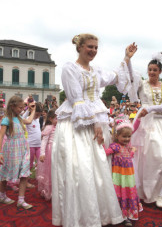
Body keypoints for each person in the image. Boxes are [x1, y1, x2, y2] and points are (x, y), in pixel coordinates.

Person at [52, 34, 136, 226]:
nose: (93, 51)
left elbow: (116, 76)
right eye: (90, 47)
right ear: (79, 47)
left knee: (99, 168)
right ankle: (81, 217)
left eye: (96, 48)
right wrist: (96, 123)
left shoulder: (96, 71)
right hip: (77, 125)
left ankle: (102, 213)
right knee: (80, 169)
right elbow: (76, 99)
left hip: (96, 123)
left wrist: (127, 58)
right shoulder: (69, 68)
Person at [128, 52, 162, 208]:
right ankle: (154, 193)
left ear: (160, 72)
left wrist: (150, 108)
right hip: (147, 125)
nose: (151, 72)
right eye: (149, 69)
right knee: (155, 157)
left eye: (154, 70)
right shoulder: (142, 84)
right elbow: (130, 76)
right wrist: (129, 59)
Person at [0, 96, 36, 209]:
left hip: (23, 147)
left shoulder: (19, 118)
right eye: (20, 108)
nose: (21, 109)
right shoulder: (6, 119)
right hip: (11, 149)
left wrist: (33, 110)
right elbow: (0, 136)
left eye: (22, 107)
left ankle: (21, 200)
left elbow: (28, 121)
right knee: (6, 173)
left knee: (24, 173)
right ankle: (2, 195)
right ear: (12, 106)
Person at [104, 116, 142, 226]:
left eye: (129, 136)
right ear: (117, 135)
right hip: (118, 178)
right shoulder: (115, 146)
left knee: (128, 193)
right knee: (120, 194)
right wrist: (101, 145)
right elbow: (105, 153)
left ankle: (127, 216)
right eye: (124, 136)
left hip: (128, 177)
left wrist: (133, 151)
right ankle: (119, 215)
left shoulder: (127, 147)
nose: (126, 139)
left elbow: (128, 156)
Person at [37, 109, 57, 200]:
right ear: (50, 118)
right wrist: (42, 153)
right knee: (49, 171)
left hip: (57, 150)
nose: (58, 120)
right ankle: (49, 191)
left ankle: (57, 190)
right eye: (56, 118)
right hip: (50, 151)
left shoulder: (59, 127)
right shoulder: (49, 127)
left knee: (56, 171)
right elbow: (44, 141)